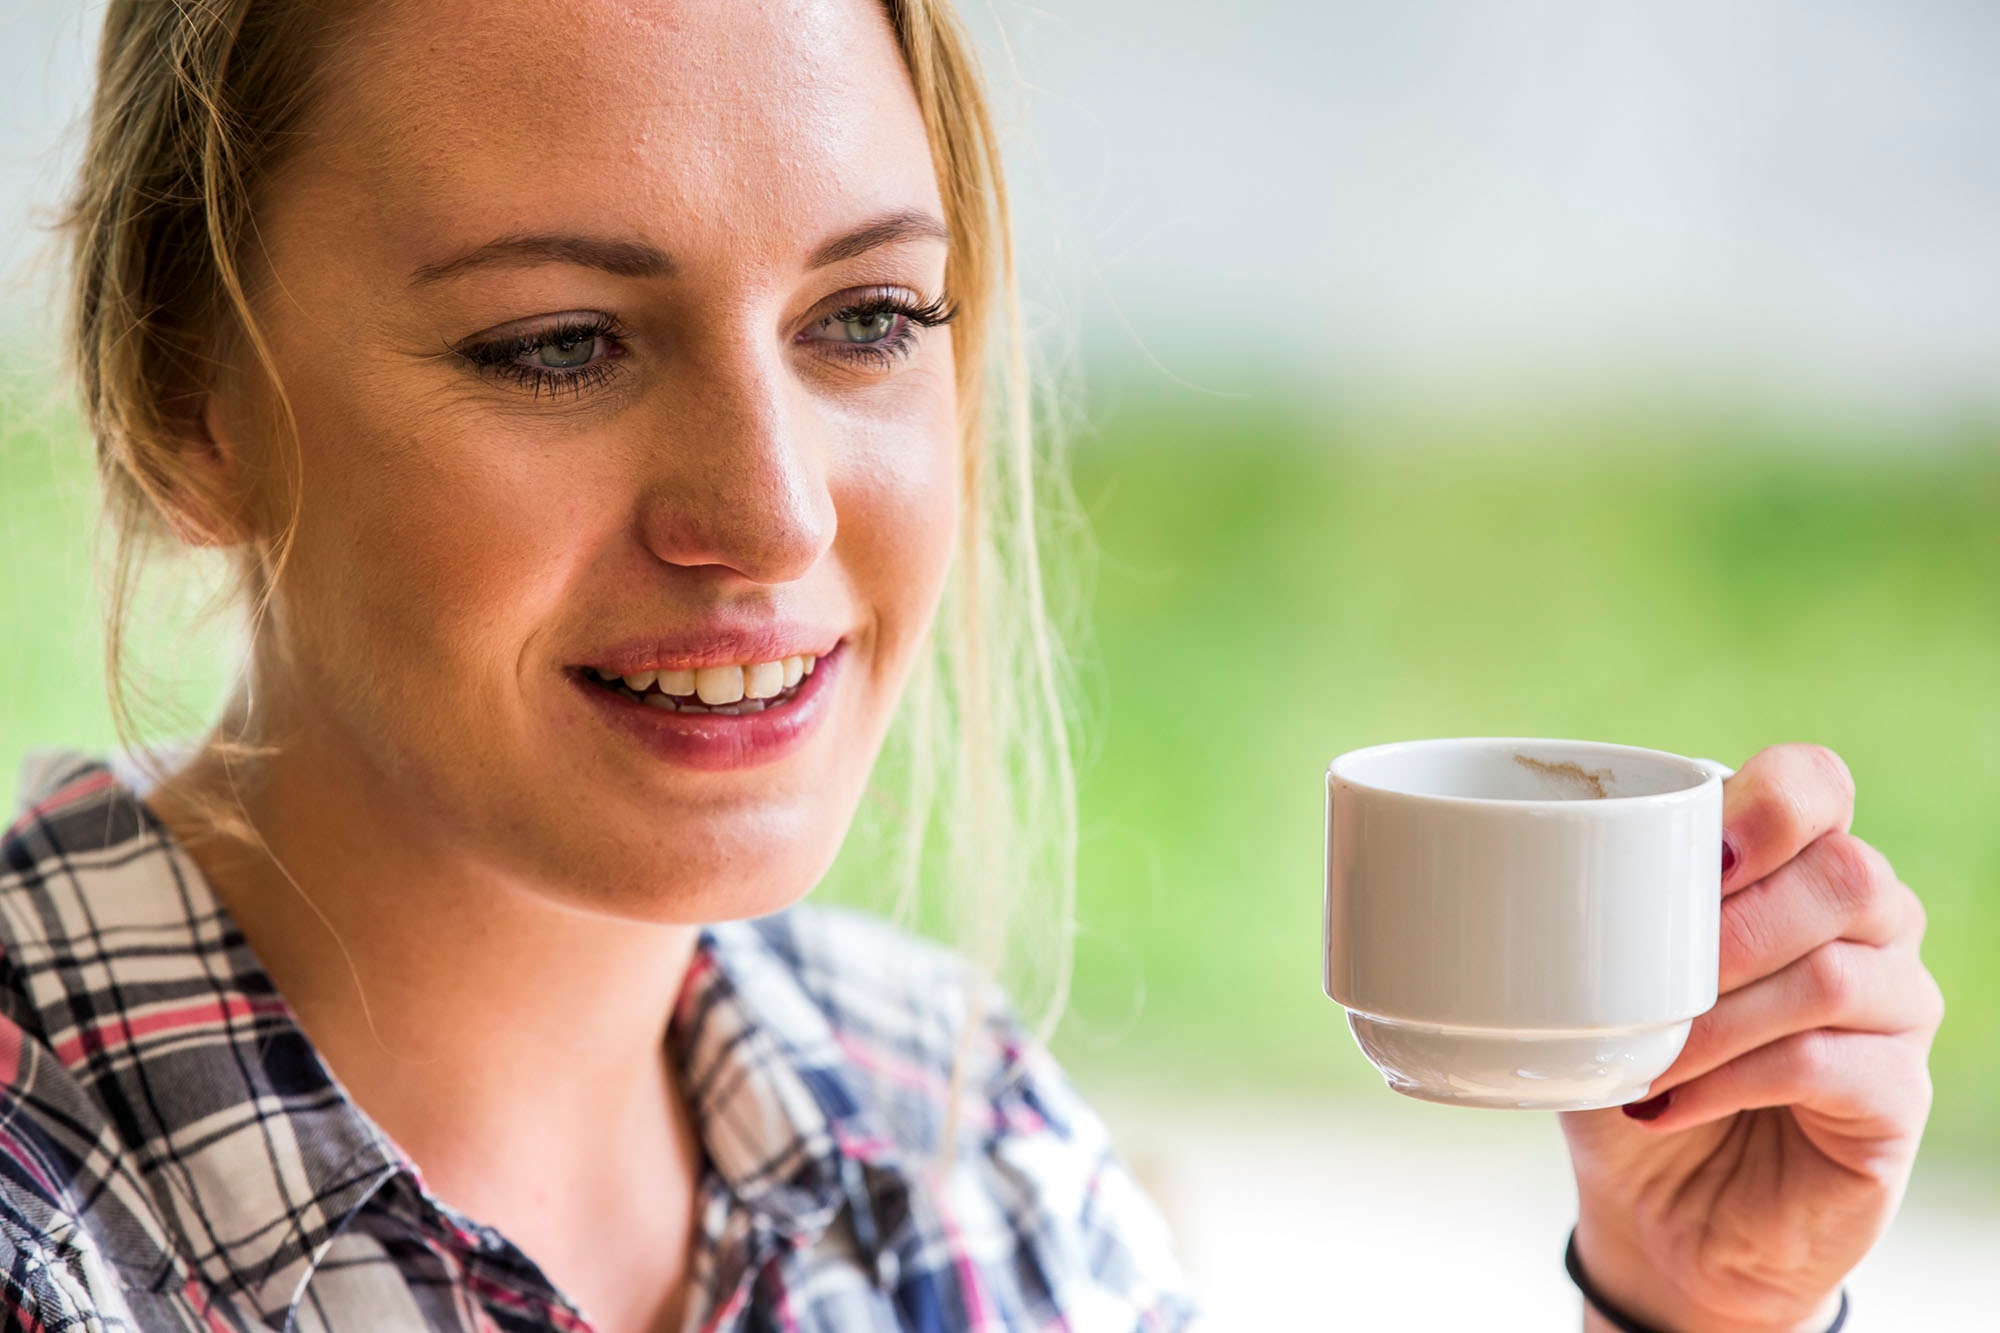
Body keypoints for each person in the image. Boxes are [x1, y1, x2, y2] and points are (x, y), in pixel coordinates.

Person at [0, 2, 1942, 1330]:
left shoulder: (946, 1122)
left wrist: (1696, 1307)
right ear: (185, 406)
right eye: (558, 343)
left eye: (865, 317)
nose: (772, 516)